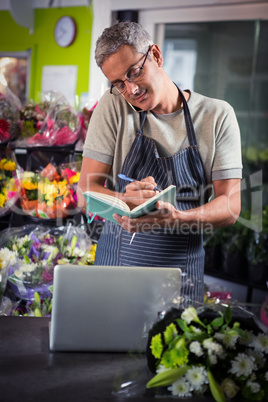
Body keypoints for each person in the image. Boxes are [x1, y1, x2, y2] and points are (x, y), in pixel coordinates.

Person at [77, 21, 242, 304]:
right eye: (119, 83)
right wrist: (124, 200)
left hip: (180, 280)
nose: (131, 89)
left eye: (134, 72)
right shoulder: (113, 106)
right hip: (115, 272)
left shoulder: (216, 116)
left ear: (155, 55)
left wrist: (178, 219)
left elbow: (230, 206)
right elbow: (85, 191)